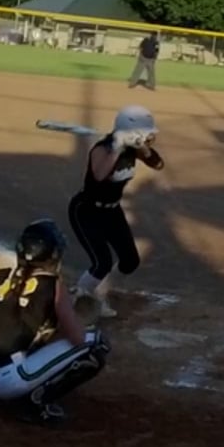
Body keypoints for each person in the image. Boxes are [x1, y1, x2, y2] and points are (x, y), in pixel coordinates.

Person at [0, 219, 109, 424]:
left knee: (14, 334)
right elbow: (78, 338)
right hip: (2, 382)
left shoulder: (1, 277)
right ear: (53, 255)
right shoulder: (54, 286)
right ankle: (37, 402)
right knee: (96, 343)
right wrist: (71, 314)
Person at [68, 105, 165, 318]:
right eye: (144, 132)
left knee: (130, 261)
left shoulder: (134, 149)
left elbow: (158, 164)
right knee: (101, 262)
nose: (148, 136)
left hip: (112, 211)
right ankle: (79, 299)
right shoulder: (102, 149)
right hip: (86, 211)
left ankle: (98, 294)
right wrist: (118, 148)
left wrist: (143, 149)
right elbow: (99, 175)